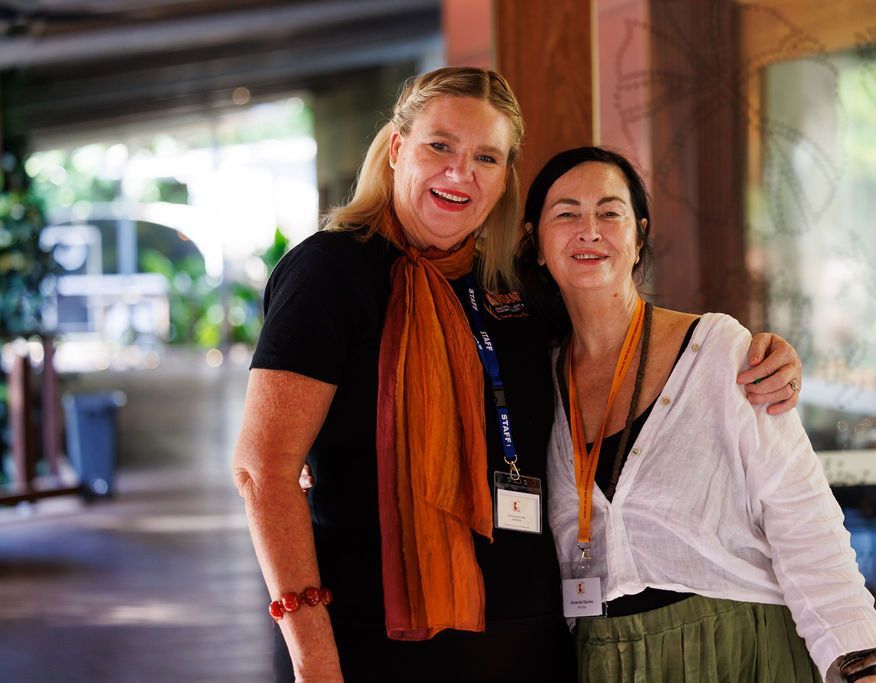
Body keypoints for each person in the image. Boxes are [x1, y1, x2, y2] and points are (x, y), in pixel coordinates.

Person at [232, 68, 804, 683]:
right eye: (440, 146)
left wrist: (759, 354)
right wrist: (312, 656)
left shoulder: (514, 289)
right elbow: (263, 470)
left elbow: (626, 337)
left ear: (505, 178)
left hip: (528, 643)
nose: (461, 173)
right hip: (377, 642)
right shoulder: (330, 272)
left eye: (486, 157)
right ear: (398, 149)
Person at [517, 146, 876, 683]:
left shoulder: (720, 352)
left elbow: (803, 517)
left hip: (739, 649)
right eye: (566, 213)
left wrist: (863, 663)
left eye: (610, 212)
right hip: (603, 658)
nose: (590, 229)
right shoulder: (533, 379)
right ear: (537, 243)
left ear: (639, 236)